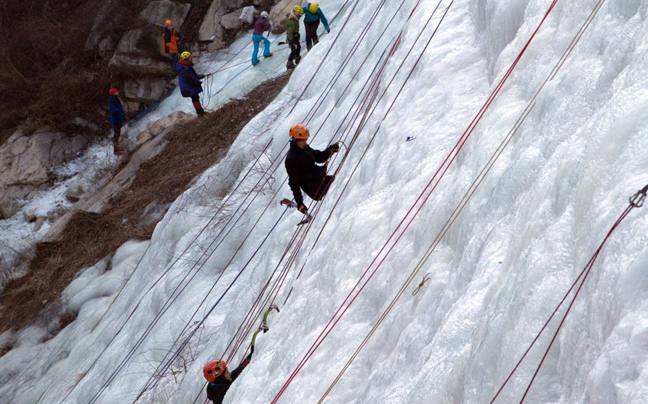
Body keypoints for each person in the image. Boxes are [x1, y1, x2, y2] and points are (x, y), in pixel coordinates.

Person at [284, 124, 340, 216]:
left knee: (338, 181)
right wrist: (300, 203)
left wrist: (331, 150)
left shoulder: (305, 148)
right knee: (336, 188)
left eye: (306, 140)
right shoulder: (291, 159)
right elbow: (294, 183)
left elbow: (319, 157)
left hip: (320, 179)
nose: (305, 142)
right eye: (303, 140)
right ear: (295, 140)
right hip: (315, 189)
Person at [175, 51, 206, 116]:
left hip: (188, 87)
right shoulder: (184, 69)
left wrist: (200, 76)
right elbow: (190, 79)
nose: (191, 58)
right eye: (190, 57)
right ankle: (200, 113)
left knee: (195, 98)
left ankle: (200, 112)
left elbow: (192, 76)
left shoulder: (184, 66)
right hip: (189, 88)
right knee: (195, 98)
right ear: (186, 59)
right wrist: (198, 83)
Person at [108, 87, 125, 152]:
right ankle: (116, 149)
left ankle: (118, 147)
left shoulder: (115, 98)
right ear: (113, 93)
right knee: (117, 133)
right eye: (116, 91)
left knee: (118, 132)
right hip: (115, 120)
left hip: (117, 119)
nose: (117, 92)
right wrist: (118, 118)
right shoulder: (113, 100)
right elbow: (114, 111)